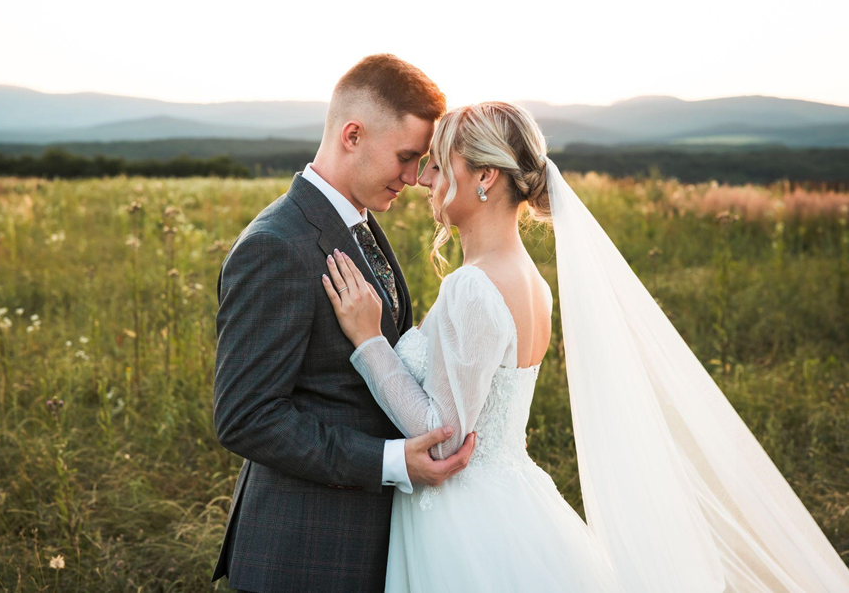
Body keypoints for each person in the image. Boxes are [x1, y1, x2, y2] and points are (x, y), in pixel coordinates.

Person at [323, 101, 849, 591]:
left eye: (439, 164)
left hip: (463, 523)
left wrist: (370, 341)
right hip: (514, 498)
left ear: (485, 176)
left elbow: (443, 440)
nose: (423, 178)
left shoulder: (473, 286)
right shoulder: (533, 283)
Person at [211, 54, 478, 593]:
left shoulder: (359, 221)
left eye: (421, 160)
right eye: (405, 157)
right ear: (352, 134)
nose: (415, 178)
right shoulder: (275, 246)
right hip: (303, 553)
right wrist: (391, 461)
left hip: (364, 542)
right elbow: (245, 417)